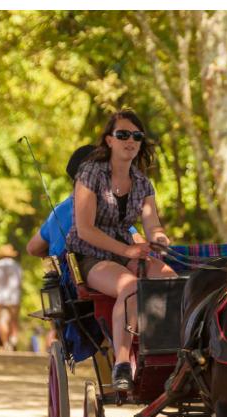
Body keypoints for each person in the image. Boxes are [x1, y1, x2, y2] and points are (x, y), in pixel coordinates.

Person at [66, 108, 176, 391]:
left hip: (127, 252)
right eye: (123, 134)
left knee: (173, 281)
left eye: (136, 136)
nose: (130, 141)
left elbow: (153, 226)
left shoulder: (142, 183)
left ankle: (173, 356)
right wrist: (128, 252)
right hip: (91, 254)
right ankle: (123, 363)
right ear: (109, 141)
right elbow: (85, 229)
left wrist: (160, 241)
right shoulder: (90, 174)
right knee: (131, 287)